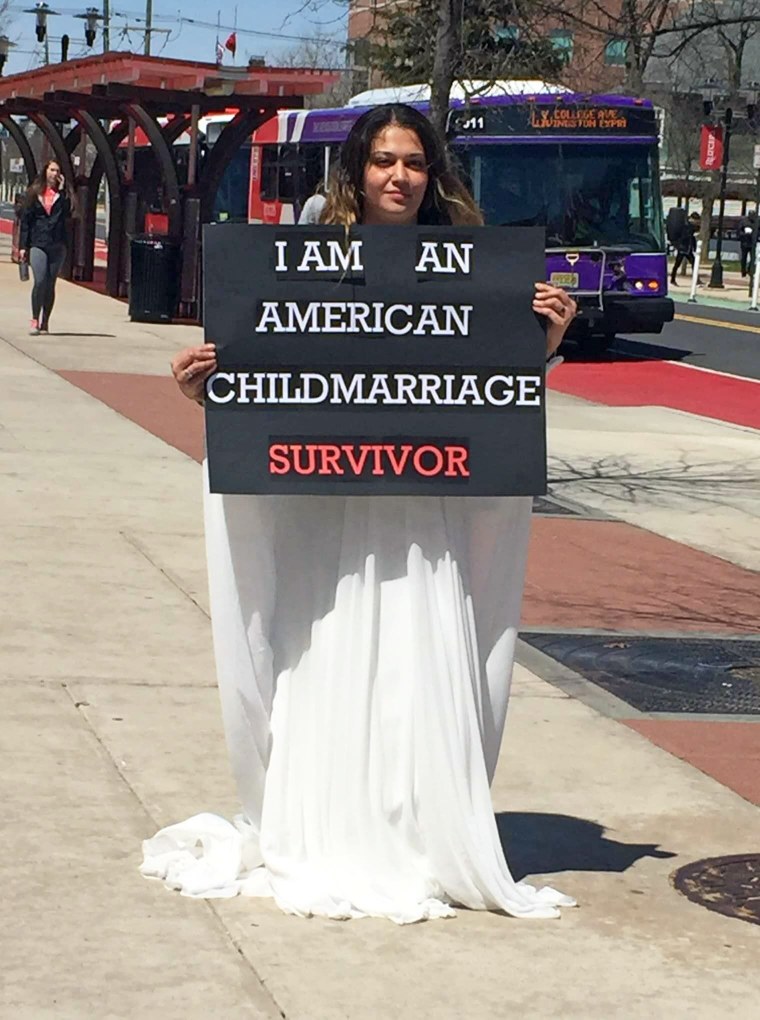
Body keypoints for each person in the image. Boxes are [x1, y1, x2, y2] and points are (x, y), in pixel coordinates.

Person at [143, 104, 578, 923]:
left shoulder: (475, 270)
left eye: (414, 161)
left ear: (433, 173)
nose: (399, 177)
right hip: (328, 509)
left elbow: (491, 390)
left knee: (419, 655)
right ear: (357, 170)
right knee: (332, 651)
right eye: (384, 160)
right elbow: (268, 363)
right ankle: (329, 822)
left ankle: (421, 827)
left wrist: (541, 346)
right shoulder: (305, 264)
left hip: (424, 507)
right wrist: (215, 388)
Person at [18, 159, 73, 335]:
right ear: (45, 171)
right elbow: (26, 221)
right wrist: (23, 246)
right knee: (40, 281)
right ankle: (34, 318)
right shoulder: (34, 193)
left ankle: (45, 321)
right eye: (51, 170)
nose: (54, 174)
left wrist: (63, 191)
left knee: (50, 284)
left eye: (57, 171)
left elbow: (67, 215)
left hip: (57, 244)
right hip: (38, 243)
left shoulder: (62, 196)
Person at [670, 211, 699, 286]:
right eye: (696, 220)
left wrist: (694, 248)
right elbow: (685, 237)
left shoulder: (691, 227)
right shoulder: (686, 226)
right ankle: (672, 279)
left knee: (694, 263)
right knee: (677, 264)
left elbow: (692, 239)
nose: (696, 222)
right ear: (692, 219)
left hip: (687, 249)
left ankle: (696, 279)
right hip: (683, 248)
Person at [739, 209, 757, 277]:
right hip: (745, 242)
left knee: (753, 258)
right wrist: (744, 234)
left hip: (752, 242)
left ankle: (750, 270)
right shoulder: (744, 222)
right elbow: (739, 231)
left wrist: (755, 234)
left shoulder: (756, 222)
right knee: (744, 258)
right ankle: (743, 271)